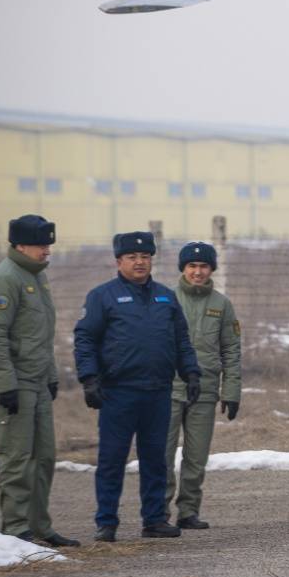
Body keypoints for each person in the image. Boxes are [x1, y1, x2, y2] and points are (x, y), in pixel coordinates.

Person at [73, 231, 200, 542]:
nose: (140, 262)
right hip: (118, 393)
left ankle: (155, 519)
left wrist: (192, 373)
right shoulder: (103, 296)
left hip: (158, 391)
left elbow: (181, 340)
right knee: (112, 459)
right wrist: (89, 379)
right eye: (132, 257)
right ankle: (106, 522)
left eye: (145, 257)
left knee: (156, 458)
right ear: (119, 261)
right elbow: (85, 339)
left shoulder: (165, 297)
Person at [0, 215, 79, 548]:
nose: (47, 250)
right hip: (14, 383)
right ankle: (16, 529)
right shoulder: (4, 280)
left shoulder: (36, 277)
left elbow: (40, 335)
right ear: (20, 245)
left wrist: (50, 375)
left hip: (36, 381)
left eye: (49, 244)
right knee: (18, 457)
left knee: (44, 456)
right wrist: (5, 383)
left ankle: (40, 526)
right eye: (41, 244)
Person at [164, 241, 242, 530]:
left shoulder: (221, 305)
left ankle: (188, 511)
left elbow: (231, 350)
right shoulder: (166, 299)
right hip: (168, 389)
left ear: (212, 269)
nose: (198, 272)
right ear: (183, 268)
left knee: (196, 456)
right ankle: (158, 513)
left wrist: (231, 392)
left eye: (204, 266)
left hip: (205, 391)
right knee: (163, 453)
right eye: (192, 266)